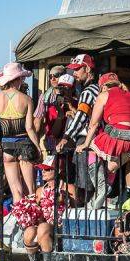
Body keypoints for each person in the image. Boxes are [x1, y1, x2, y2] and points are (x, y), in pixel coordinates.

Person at [75, 73, 130, 206]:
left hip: (118, 135)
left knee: (91, 151)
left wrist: (86, 144)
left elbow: (94, 124)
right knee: (116, 164)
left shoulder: (104, 95)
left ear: (104, 86)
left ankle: (101, 187)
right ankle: (113, 194)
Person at [13, 155, 75, 261]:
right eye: (42, 169)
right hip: (45, 224)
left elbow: (75, 212)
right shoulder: (40, 190)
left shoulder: (68, 188)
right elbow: (39, 214)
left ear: (57, 170)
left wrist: (64, 201)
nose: (43, 172)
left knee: (42, 228)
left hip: (61, 226)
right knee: (29, 232)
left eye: (47, 169)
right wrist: (29, 211)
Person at [0, 62, 41, 203]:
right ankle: (30, 221)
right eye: (21, 78)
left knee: (16, 192)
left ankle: (20, 221)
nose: (23, 80)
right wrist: (38, 146)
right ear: (16, 79)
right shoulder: (26, 99)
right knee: (30, 191)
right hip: (25, 144)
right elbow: (29, 127)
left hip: (6, 145)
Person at [56, 54, 100, 199]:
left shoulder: (88, 92)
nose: (74, 73)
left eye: (77, 69)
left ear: (87, 69)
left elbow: (81, 116)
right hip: (99, 139)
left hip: (88, 139)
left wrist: (66, 137)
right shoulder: (98, 89)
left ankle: (87, 204)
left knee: (85, 179)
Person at [33, 65, 66, 133]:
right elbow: (38, 118)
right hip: (51, 136)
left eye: (56, 75)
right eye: (50, 77)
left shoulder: (72, 94)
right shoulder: (45, 96)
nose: (53, 79)